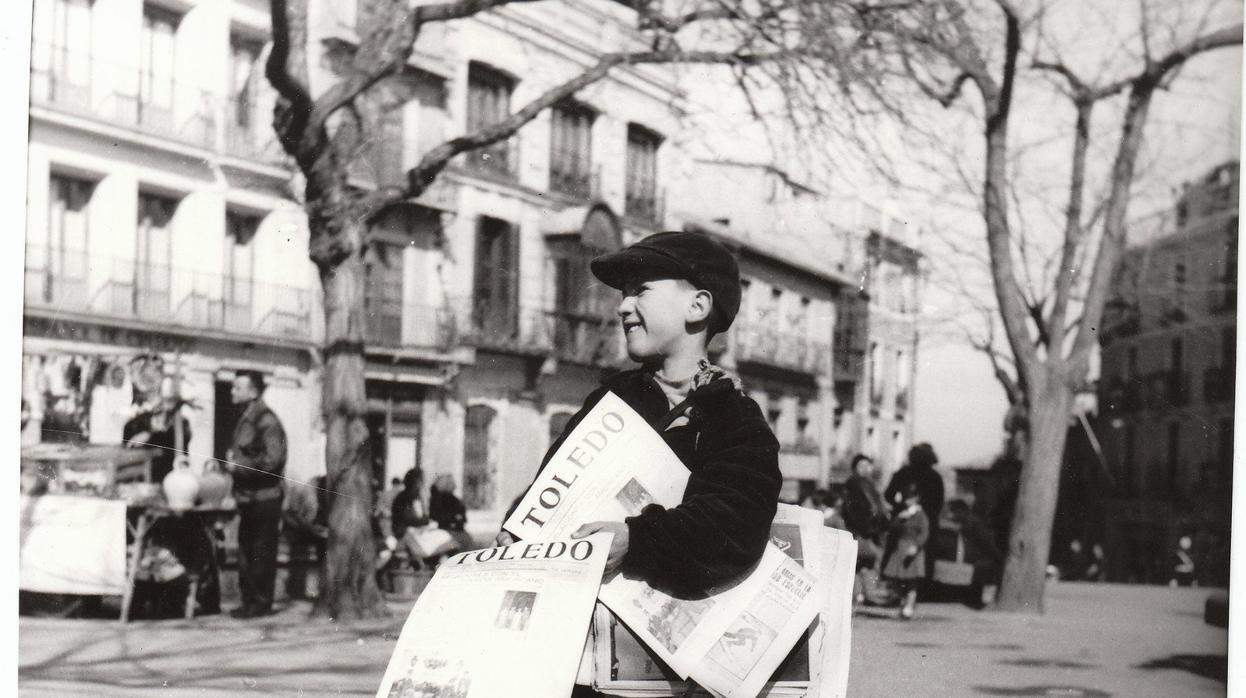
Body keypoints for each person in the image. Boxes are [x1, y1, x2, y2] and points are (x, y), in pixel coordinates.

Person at [500, 230, 781, 600]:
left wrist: (637, 540)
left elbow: (734, 520)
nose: (623, 306)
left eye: (641, 290)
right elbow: (550, 486)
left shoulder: (733, 416)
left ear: (697, 307)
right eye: (623, 294)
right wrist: (516, 529)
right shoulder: (609, 400)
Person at [225, 370, 287, 619]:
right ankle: (249, 601)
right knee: (247, 551)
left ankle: (260, 604)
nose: (232, 391)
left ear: (253, 392)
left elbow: (274, 459)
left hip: (264, 497)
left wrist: (238, 467)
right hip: (249, 497)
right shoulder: (248, 418)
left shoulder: (267, 421)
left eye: (238, 387)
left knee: (260, 552)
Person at [881, 483, 929, 620]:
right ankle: (903, 606)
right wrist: (900, 518)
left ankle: (909, 605)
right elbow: (892, 528)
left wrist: (917, 545)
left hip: (913, 549)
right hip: (900, 548)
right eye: (906, 498)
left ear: (917, 498)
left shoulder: (920, 514)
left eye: (911, 498)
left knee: (911, 581)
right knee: (898, 581)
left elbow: (925, 532)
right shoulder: (903, 512)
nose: (908, 500)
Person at [392, 468, 457, 567]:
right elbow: (409, 519)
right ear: (413, 482)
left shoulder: (416, 497)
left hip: (418, 530)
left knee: (444, 537)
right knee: (438, 539)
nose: (421, 485)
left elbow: (423, 516)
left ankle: (442, 563)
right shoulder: (403, 498)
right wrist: (426, 521)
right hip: (406, 533)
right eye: (420, 481)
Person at [124, 394, 192, 484]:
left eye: (168, 414)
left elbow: (182, 452)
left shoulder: (179, 426)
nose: (164, 417)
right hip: (141, 476)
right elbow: (129, 446)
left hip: (168, 476)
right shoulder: (135, 424)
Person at [283, 476, 328, 600]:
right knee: (301, 548)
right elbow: (291, 514)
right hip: (299, 528)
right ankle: (296, 590)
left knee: (326, 547)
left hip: (318, 530)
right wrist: (311, 528)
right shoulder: (304, 490)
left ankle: (324, 589)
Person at [429, 474, 476, 553]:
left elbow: (462, 518)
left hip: (454, 530)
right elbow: (437, 516)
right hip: (447, 531)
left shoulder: (455, 500)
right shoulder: (439, 500)